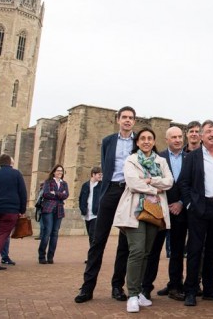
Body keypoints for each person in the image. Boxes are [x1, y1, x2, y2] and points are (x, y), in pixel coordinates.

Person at [75, 106, 136, 303]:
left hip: (129, 192)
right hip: (110, 191)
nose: (127, 120)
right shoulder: (108, 141)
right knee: (98, 241)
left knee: (125, 243)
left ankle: (117, 286)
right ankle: (87, 287)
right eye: (124, 117)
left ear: (134, 121)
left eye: (131, 118)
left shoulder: (138, 142)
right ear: (118, 119)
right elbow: (106, 165)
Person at [113, 127, 174, 313]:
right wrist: (155, 187)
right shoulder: (131, 160)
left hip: (154, 212)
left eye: (150, 138)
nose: (146, 141)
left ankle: (139, 291)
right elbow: (132, 183)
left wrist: (147, 181)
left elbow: (169, 182)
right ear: (137, 142)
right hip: (135, 211)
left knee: (147, 253)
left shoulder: (161, 161)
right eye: (143, 139)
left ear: (154, 142)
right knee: (137, 251)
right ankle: (132, 294)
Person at [180, 120, 213, 306]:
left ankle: (209, 289)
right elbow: (183, 183)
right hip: (199, 207)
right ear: (201, 135)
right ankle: (190, 289)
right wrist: (190, 204)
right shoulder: (193, 157)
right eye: (208, 131)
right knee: (195, 250)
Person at [148, 126, 188, 301]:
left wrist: (181, 203)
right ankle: (146, 287)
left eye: (180, 136)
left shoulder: (190, 158)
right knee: (154, 250)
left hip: (180, 210)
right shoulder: (158, 158)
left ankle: (175, 285)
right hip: (161, 210)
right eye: (174, 137)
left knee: (178, 251)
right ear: (167, 140)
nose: (178, 140)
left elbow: (192, 183)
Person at [38, 164, 69, 264]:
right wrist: (60, 194)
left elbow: (66, 195)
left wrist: (55, 193)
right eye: (58, 171)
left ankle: (50, 256)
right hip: (48, 209)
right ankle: (42, 256)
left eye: (61, 171)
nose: (60, 172)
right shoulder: (48, 182)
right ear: (54, 172)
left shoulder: (64, 183)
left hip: (59, 210)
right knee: (47, 232)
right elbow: (46, 193)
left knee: (55, 233)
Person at [79, 167, 102, 248]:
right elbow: (81, 198)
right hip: (87, 214)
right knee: (90, 235)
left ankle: (91, 257)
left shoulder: (101, 186)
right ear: (93, 174)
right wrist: (82, 209)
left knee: (93, 235)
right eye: (99, 174)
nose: (100, 176)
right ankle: (92, 255)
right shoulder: (85, 185)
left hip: (96, 214)